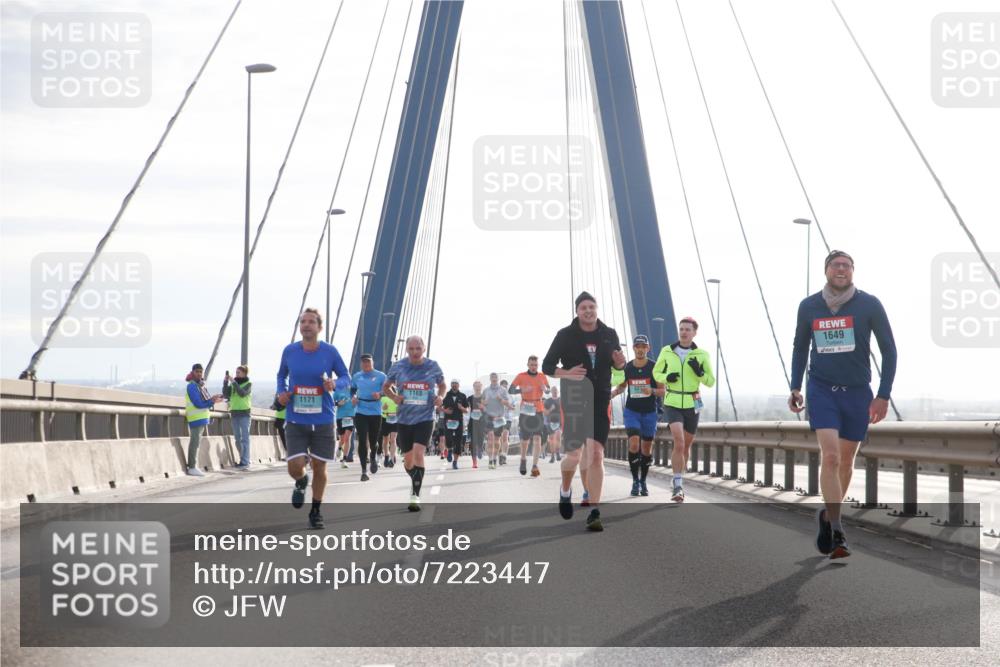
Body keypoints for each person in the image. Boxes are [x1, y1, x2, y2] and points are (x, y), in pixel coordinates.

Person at [789, 250, 897, 559]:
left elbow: (889, 351)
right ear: (826, 270)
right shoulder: (809, 306)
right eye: (836, 265)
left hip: (858, 393)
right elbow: (800, 347)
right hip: (821, 390)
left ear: (853, 272)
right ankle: (837, 530)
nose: (841, 269)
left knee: (847, 462)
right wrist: (796, 386)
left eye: (847, 266)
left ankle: (827, 515)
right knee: (832, 457)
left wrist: (883, 394)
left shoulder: (869, 304)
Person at [542, 292, 625, 531]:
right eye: (583, 308)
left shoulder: (609, 335)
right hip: (575, 401)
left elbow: (617, 364)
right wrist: (567, 374)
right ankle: (565, 490)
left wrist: (620, 363)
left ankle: (595, 510)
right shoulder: (565, 335)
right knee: (575, 456)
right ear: (577, 311)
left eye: (592, 306)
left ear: (597, 309)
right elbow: (548, 366)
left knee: (597, 455)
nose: (588, 311)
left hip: (600, 400)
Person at [276, 308, 350, 529]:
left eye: (311, 322)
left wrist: (335, 384)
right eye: (303, 322)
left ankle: (316, 511)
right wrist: (282, 391)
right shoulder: (290, 351)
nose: (306, 325)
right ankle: (300, 480)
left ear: (320, 327)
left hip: (324, 419)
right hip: (296, 418)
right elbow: (282, 375)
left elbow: (346, 376)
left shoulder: (330, 352)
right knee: (294, 466)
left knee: (320, 466)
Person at [653, 317, 715, 503]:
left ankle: (677, 476)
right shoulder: (667, 351)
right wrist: (666, 376)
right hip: (672, 401)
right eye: (681, 329)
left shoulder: (702, 354)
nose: (684, 332)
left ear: (695, 332)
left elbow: (710, 382)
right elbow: (656, 372)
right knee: (679, 442)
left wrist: (700, 373)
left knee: (686, 446)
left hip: (692, 402)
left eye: (688, 329)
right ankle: (678, 485)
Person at [383, 335, 446, 512]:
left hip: (425, 417)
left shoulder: (432, 366)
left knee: (419, 453)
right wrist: (394, 396)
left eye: (418, 349)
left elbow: (442, 385)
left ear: (424, 348)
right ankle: (415, 477)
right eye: (411, 349)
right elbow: (386, 387)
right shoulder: (398, 366)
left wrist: (441, 396)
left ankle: (415, 495)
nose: (415, 352)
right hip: (404, 419)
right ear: (407, 350)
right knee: (408, 460)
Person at [611, 336, 664, 496]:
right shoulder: (627, 368)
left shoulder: (655, 368)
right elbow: (621, 387)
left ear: (648, 348)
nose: (640, 349)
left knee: (646, 449)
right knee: (634, 444)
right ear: (633, 348)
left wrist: (652, 391)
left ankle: (643, 481)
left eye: (643, 346)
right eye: (637, 346)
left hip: (649, 412)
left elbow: (663, 390)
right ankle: (635, 481)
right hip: (632, 412)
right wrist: (611, 394)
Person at [509, 356, 550, 477]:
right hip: (526, 408)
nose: (533, 367)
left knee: (537, 438)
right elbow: (510, 390)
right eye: (531, 364)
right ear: (528, 364)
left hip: (538, 409)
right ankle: (523, 459)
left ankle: (535, 466)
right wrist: (521, 390)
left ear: (537, 365)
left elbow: (548, 390)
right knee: (525, 439)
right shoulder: (521, 376)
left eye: (535, 365)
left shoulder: (542, 376)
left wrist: (545, 389)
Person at [185, 363, 225, 476]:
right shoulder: (192, 386)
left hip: (201, 418)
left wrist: (213, 399)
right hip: (196, 418)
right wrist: (212, 401)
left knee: (197, 443)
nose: (199, 373)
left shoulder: (200, 385)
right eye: (197, 371)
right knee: (195, 443)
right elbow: (198, 403)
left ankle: (194, 466)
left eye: (200, 372)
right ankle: (192, 467)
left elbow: (205, 401)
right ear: (192, 372)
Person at [351, 353, 387, 479]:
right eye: (364, 362)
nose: (366, 364)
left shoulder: (381, 376)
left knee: (373, 441)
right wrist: (353, 397)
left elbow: (387, 390)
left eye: (368, 362)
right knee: (362, 439)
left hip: (375, 412)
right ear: (361, 364)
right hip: (361, 411)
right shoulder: (357, 376)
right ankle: (363, 471)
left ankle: (373, 457)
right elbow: (352, 389)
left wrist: (380, 394)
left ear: (372, 363)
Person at [222, 365, 253, 470]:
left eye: (238, 372)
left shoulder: (248, 384)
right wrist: (226, 382)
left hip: (244, 414)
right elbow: (226, 394)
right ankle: (242, 458)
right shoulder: (233, 385)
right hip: (234, 414)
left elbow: (242, 393)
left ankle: (245, 461)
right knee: (237, 439)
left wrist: (233, 382)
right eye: (236, 372)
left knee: (245, 439)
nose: (236, 374)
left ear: (244, 373)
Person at [482, 373, 513, 470]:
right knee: (490, 439)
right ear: (490, 379)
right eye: (492, 377)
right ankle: (490, 459)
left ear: (498, 379)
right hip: (489, 417)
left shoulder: (503, 390)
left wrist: (501, 400)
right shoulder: (486, 390)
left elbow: (508, 403)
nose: (494, 379)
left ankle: (494, 458)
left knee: (496, 440)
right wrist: (484, 402)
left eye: (496, 378)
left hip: (499, 417)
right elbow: (482, 403)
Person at [442, 379, 469, 469]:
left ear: (458, 385)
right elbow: (440, 407)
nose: (454, 385)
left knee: (458, 442)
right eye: (453, 384)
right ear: (451, 385)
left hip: (459, 421)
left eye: (456, 384)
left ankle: (455, 462)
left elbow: (467, 410)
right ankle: (449, 450)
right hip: (448, 421)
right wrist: (445, 411)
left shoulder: (462, 396)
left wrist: (461, 408)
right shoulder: (447, 395)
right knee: (448, 439)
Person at [333, 377, 356, 472]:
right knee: (342, 439)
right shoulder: (337, 391)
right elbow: (331, 402)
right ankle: (339, 448)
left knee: (347, 438)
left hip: (350, 416)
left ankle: (344, 460)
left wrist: (356, 402)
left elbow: (358, 402)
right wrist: (338, 403)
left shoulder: (353, 392)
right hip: (340, 417)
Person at [467, 380, 486, 468]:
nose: (478, 387)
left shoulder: (484, 397)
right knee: (473, 442)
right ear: (474, 387)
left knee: (481, 439)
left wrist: (483, 407)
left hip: (482, 422)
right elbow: (466, 408)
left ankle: (480, 449)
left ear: (481, 387)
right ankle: (474, 462)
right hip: (473, 422)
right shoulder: (470, 398)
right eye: (476, 386)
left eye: (479, 386)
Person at [544, 386, 563, 463]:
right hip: (550, 422)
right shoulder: (548, 401)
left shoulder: (561, 400)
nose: (555, 392)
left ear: (558, 392)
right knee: (552, 440)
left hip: (559, 422)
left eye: (556, 391)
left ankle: (557, 453)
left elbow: (565, 411)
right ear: (551, 392)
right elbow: (545, 413)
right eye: (553, 390)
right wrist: (550, 409)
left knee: (558, 438)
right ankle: (552, 456)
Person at [380, 392, 399, 467]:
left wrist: (399, 409)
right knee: (385, 440)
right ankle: (386, 456)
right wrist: (383, 408)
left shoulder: (397, 395)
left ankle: (392, 458)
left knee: (393, 439)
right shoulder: (382, 396)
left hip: (395, 419)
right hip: (385, 418)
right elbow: (379, 409)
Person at [499, 379, 513, 465]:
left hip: (507, 419)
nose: (504, 387)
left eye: (505, 386)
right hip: (498, 419)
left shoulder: (510, 396)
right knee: (499, 438)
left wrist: (509, 405)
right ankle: (500, 453)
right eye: (502, 386)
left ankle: (504, 456)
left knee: (505, 436)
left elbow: (513, 406)